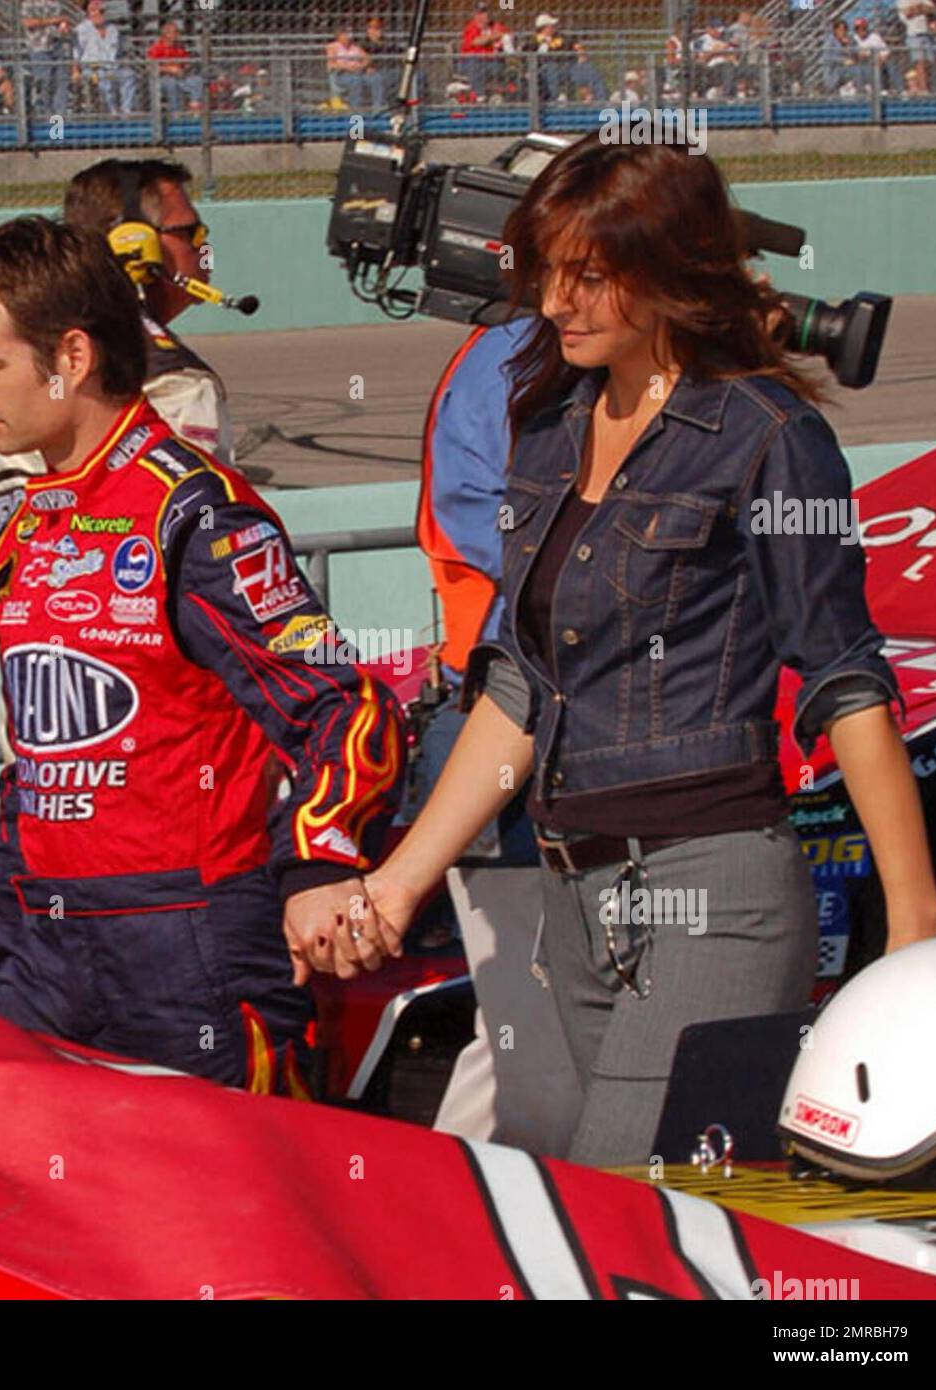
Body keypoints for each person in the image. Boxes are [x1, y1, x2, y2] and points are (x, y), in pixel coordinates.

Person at [348, 135, 936, 1166]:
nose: (555, 302)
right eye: (546, 274)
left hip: (713, 889)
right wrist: (397, 885)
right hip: (573, 901)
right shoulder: (548, 425)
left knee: (618, 1209)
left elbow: (845, 676)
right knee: (647, 1235)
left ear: (670, 271)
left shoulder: (766, 433)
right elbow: (525, 690)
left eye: (589, 276)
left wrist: (915, 923)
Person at [0, 216, 404, 1088]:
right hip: (44, 947)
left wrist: (320, 863)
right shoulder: (23, 528)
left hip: (190, 947)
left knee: (234, 1215)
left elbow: (343, 705)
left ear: (71, 357)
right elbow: (36, 768)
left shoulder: (196, 515)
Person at [0, 157, 231, 618]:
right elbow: (202, 566)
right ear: (137, 246)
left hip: (43, 676)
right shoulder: (177, 383)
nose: (204, 245)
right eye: (189, 232)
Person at [412, 318, 582, 1157]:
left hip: (584, 741)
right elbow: (504, 533)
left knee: (537, 1031)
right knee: (528, 1028)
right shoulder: (515, 353)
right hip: (503, 729)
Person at [74, 0, 135, 114]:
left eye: (101, 11)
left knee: (129, 75)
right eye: (93, 11)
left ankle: (126, 110)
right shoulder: (82, 29)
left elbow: (118, 52)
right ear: (88, 13)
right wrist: (75, 70)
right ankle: (112, 112)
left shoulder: (113, 30)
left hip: (112, 68)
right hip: (91, 69)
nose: (98, 14)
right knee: (103, 79)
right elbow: (76, 53)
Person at [21, 0, 70, 117]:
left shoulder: (56, 3)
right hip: (39, 47)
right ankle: (45, 113)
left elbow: (62, 20)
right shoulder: (29, 4)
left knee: (61, 81)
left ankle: (59, 115)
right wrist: (52, 21)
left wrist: (63, 26)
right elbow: (28, 23)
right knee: (44, 81)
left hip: (57, 45)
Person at [146, 19, 203, 114]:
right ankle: (176, 111)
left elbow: (186, 62)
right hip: (162, 79)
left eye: (177, 32)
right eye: (175, 32)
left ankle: (195, 105)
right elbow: (149, 67)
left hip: (180, 77)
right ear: (166, 34)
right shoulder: (157, 47)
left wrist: (185, 68)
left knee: (197, 80)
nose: (177, 35)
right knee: (171, 83)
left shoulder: (179, 47)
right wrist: (169, 69)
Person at [324, 25, 369, 109]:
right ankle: (355, 107)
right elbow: (331, 64)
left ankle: (377, 106)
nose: (348, 36)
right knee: (355, 80)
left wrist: (361, 66)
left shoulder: (355, 47)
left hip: (357, 72)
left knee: (375, 79)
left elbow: (367, 59)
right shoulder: (333, 47)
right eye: (345, 34)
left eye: (349, 34)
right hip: (341, 73)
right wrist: (346, 67)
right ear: (339, 36)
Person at [897, 0, 936, 91]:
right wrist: (920, 8)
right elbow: (906, 13)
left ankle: (930, 87)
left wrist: (916, 8)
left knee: (929, 62)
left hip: (927, 34)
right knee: (919, 63)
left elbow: (931, 9)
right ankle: (924, 89)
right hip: (914, 34)